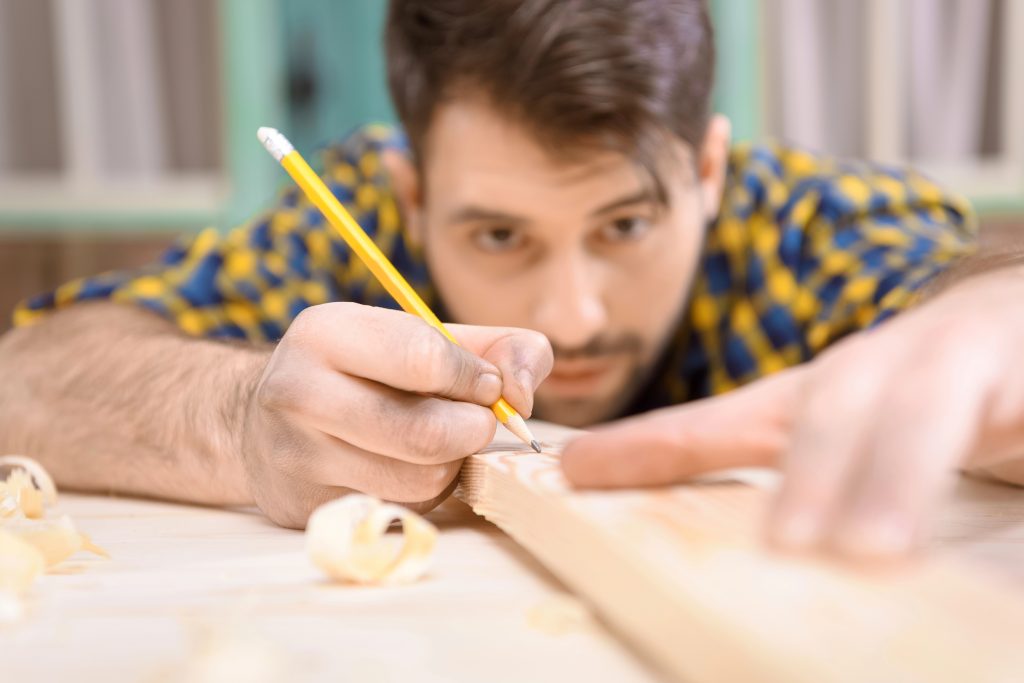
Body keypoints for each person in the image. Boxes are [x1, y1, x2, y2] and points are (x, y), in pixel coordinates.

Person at [1, 0, 1021, 561]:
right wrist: (235, 417)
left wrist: (989, 325)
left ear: (708, 173)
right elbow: (27, 376)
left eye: (624, 223)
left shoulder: (809, 222)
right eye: (497, 233)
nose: (567, 318)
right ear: (408, 191)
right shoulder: (347, 215)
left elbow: (970, 299)